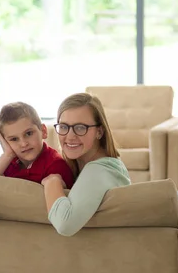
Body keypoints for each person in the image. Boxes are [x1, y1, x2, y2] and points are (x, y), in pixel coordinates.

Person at [42, 93, 131, 236]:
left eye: (80, 127)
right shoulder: (87, 165)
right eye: (64, 127)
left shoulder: (100, 170)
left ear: (99, 132)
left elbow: (66, 225)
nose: (70, 136)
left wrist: (52, 181)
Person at [0, 102, 75, 192]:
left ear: (43, 131)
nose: (23, 144)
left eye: (28, 133)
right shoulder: (8, 162)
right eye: (14, 139)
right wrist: (7, 155)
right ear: (4, 142)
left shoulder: (56, 165)